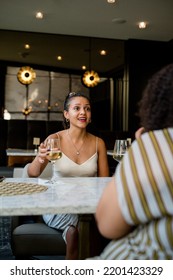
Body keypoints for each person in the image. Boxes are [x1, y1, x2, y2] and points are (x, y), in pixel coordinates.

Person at [89, 63, 173, 259]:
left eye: (86, 108)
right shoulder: (55, 139)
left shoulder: (156, 143)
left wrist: (141, 147)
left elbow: (108, 226)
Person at [26, 92, 109, 259]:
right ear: (66, 114)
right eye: (76, 108)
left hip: (87, 203)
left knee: (79, 228)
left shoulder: (98, 143)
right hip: (57, 202)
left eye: (87, 109)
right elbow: (33, 173)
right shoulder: (54, 139)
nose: (83, 113)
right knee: (84, 227)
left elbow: (104, 183)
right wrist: (41, 157)